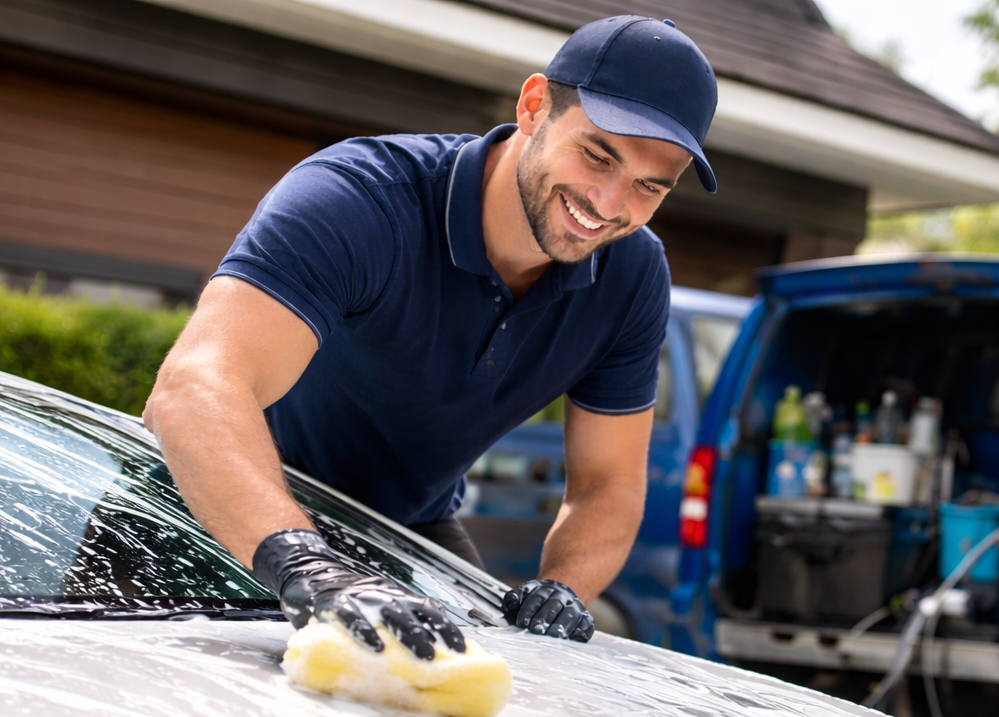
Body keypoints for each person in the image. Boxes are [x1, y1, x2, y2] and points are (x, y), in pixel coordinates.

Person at [144, 15, 718, 659]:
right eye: (596, 154)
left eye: (649, 186)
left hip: (406, 528)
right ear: (534, 108)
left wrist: (563, 588)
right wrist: (308, 563)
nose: (610, 203)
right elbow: (195, 385)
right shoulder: (360, 199)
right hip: (202, 503)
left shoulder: (632, 276)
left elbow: (606, 484)